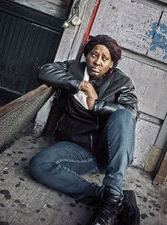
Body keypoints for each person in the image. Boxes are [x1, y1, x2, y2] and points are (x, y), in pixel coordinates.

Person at [29, 35, 139, 225]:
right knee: (38, 165)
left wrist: (97, 105)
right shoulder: (74, 69)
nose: (97, 62)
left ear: (112, 64)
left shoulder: (122, 82)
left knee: (124, 115)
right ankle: (110, 200)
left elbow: (131, 113)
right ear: (86, 55)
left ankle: (113, 191)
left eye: (105, 59)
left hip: (106, 151)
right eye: (93, 55)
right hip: (76, 148)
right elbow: (44, 70)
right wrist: (79, 84)